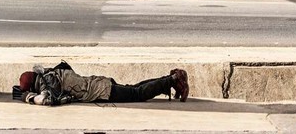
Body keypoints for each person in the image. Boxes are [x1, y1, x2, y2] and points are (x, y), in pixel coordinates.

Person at [14, 62, 189, 105]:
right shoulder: (51, 72)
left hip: (101, 92)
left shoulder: (47, 85)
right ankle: (169, 80)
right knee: (134, 88)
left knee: (138, 94)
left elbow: (45, 100)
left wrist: (26, 97)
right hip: (100, 82)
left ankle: (173, 80)